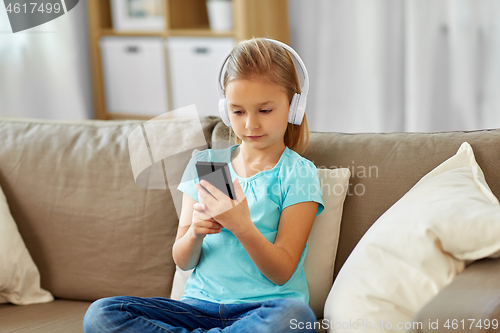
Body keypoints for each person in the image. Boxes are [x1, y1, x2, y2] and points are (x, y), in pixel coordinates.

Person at [83, 37, 324, 333]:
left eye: (265, 110)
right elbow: (183, 261)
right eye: (238, 111)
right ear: (225, 110)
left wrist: (242, 227)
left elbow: (282, 272)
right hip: (196, 308)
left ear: (293, 107)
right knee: (102, 313)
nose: (250, 124)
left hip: (261, 309)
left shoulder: (297, 173)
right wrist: (195, 232)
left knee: (295, 318)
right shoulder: (210, 165)